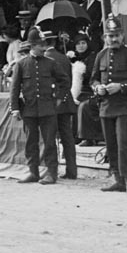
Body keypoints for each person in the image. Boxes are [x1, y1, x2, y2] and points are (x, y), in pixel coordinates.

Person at [90, 16, 127, 196]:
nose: (113, 39)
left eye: (116, 35)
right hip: (105, 107)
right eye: (109, 36)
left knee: (125, 145)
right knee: (111, 145)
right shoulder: (101, 55)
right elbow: (93, 79)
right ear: (104, 37)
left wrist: (121, 87)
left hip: (123, 107)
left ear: (122, 35)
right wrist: (97, 87)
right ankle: (118, 180)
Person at [9, 28, 69, 185]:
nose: (43, 47)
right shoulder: (21, 64)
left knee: (50, 142)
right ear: (32, 46)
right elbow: (14, 88)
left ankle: (51, 173)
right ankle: (33, 172)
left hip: (48, 108)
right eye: (40, 45)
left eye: (44, 44)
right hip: (28, 109)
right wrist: (14, 108)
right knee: (31, 143)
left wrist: (59, 98)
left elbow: (65, 81)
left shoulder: (51, 63)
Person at [43, 30, 78, 179]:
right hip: (66, 99)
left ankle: (52, 170)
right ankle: (72, 170)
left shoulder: (45, 59)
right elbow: (68, 80)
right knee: (67, 137)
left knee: (50, 136)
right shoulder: (64, 58)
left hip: (52, 100)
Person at [68, 33, 103, 147]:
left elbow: (92, 77)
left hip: (90, 90)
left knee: (82, 105)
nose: (81, 46)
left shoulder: (93, 57)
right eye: (78, 44)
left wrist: (80, 70)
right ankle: (74, 136)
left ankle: (88, 137)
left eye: (83, 43)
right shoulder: (75, 58)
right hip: (78, 90)